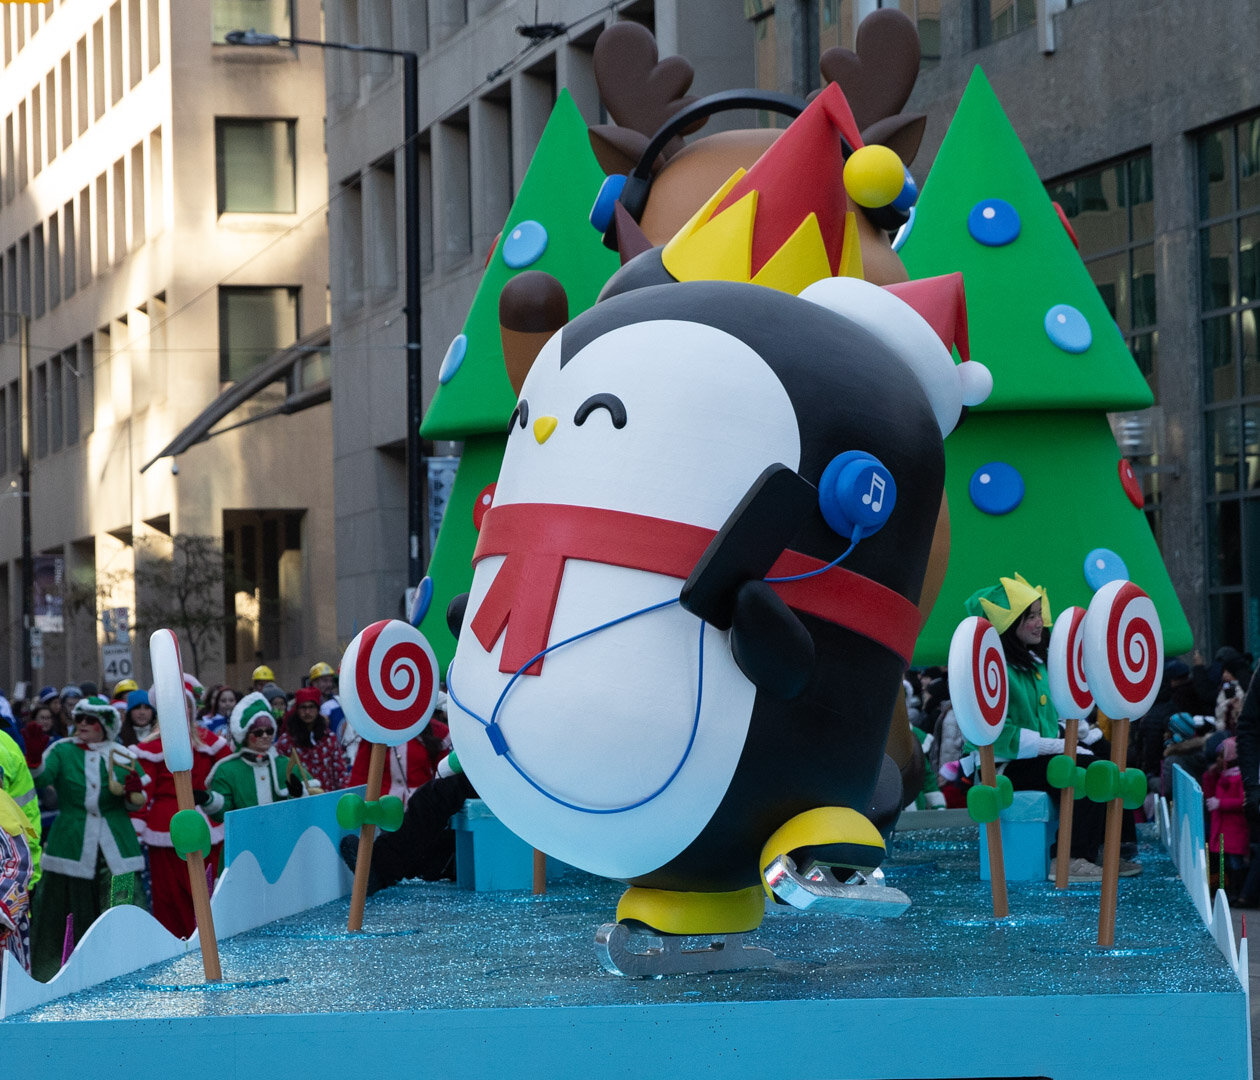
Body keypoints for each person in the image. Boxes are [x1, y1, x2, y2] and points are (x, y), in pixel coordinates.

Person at [963, 573, 1134, 882]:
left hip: (1036, 756)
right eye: (1030, 616)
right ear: (1008, 623)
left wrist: (1079, 733)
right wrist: (1061, 745)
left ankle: (1111, 847)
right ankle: (1069, 858)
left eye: (1039, 614)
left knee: (1111, 757)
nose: (1039, 623)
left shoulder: (1034, 664)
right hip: (1003, 764)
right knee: (1087, 769)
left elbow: (1049, 716)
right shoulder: (994, 668)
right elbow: (997, 735)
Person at [27, 696, 147, 981]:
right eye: (79, 718)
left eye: (90, 720)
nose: (82, 724)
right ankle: (59, 973)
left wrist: (132, 793)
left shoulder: (122, 755)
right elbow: (42, 779)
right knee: (62, 911)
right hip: (70, 843)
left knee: (122, 902)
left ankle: (127, 967)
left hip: (117, 845)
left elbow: (136, 803)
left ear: (104, 725)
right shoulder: (62, 750)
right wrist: (34, 759)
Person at [133, 697, 230, 938]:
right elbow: (143, 792)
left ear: (193, 708)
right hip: (165, 829)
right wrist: (135, 828)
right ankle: (178, 941)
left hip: (205, 823)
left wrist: (211, 799)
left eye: (186, 703)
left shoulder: (210, 742)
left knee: (208, 888)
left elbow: (226, 775)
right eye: (175, 701)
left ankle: (211, 939)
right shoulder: (151, 747)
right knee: (169, 896)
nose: (180, 708)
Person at [202, 692, 305, 817]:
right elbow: (222, 812)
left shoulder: (286, 764)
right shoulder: (227, 770)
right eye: (258, 733)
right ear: (245, 735)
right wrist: (208, 800)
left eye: (269, 731)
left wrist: (300, 794)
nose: (265, 736)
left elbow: (314, 798)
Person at [276, 687, 347, 794]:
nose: (307, 712)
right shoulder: (286, 742)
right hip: (301, 799)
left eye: (311, 707)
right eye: (303, 707)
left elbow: (340, 772)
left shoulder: (329, 738)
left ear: (318, 709)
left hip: (327, 797)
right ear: (297, 709)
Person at [1203, 736, 1248, 902]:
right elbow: (1208, 790)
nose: (1218, 759)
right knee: (1227, 862)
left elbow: (1242, 801)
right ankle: (1229, 892)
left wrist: (1220, 803)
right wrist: (1211, 773)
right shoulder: (1223, 775)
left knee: (1235, 862)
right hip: (1223, 827)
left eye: (1222, 756)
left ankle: (1236, 892)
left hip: (1234, 828)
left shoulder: (1239, 777)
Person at [309, 661, 345, 736]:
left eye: (331, 681)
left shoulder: (339, 701)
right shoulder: (306, 704)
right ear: (314, 683)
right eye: (325, 681)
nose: (329, 684)